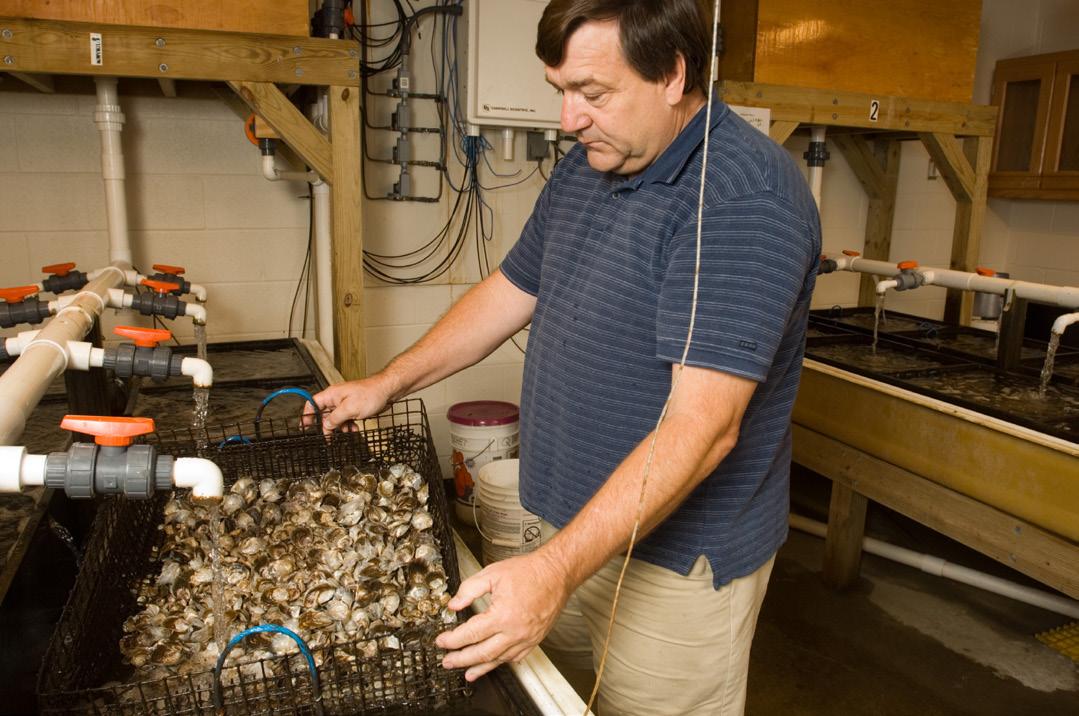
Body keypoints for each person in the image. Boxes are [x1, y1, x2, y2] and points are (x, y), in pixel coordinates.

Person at [309, 0, 820, 712]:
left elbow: (702, 429)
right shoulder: (592, 163)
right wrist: (387, 383)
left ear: (672, 74)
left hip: (670, 564)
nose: (567, 120)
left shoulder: (742, 197)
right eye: (561, 91)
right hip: (561, 527)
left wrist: (550, 571)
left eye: (592, 93)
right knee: (557, 699)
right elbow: (510, 290)